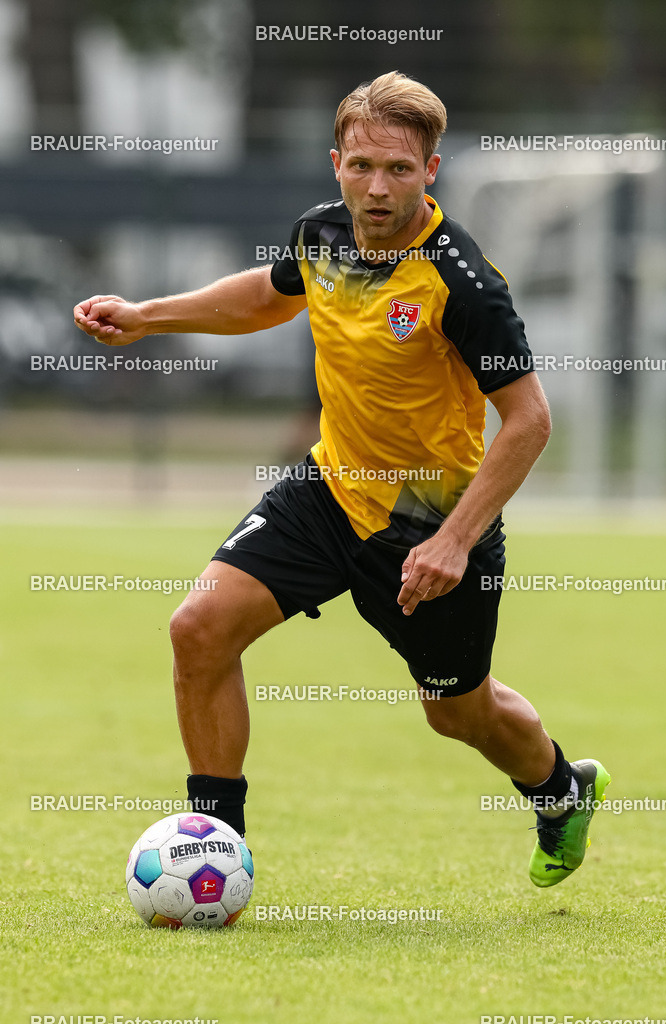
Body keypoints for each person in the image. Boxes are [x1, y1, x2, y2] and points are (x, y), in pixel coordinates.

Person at [74, 71, 609, 888]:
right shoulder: (320, 234)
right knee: (199, 629)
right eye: (361, 166)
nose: (377, 187)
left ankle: (560, 791)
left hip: (428, 526)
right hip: (327, 493)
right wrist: (148, 316)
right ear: (336, 165)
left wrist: (453, 541)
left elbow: (529, 420)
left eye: (398, 169)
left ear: (430, 171)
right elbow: (267, 296)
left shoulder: (463, 284)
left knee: (456, 713)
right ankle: (215, 849)